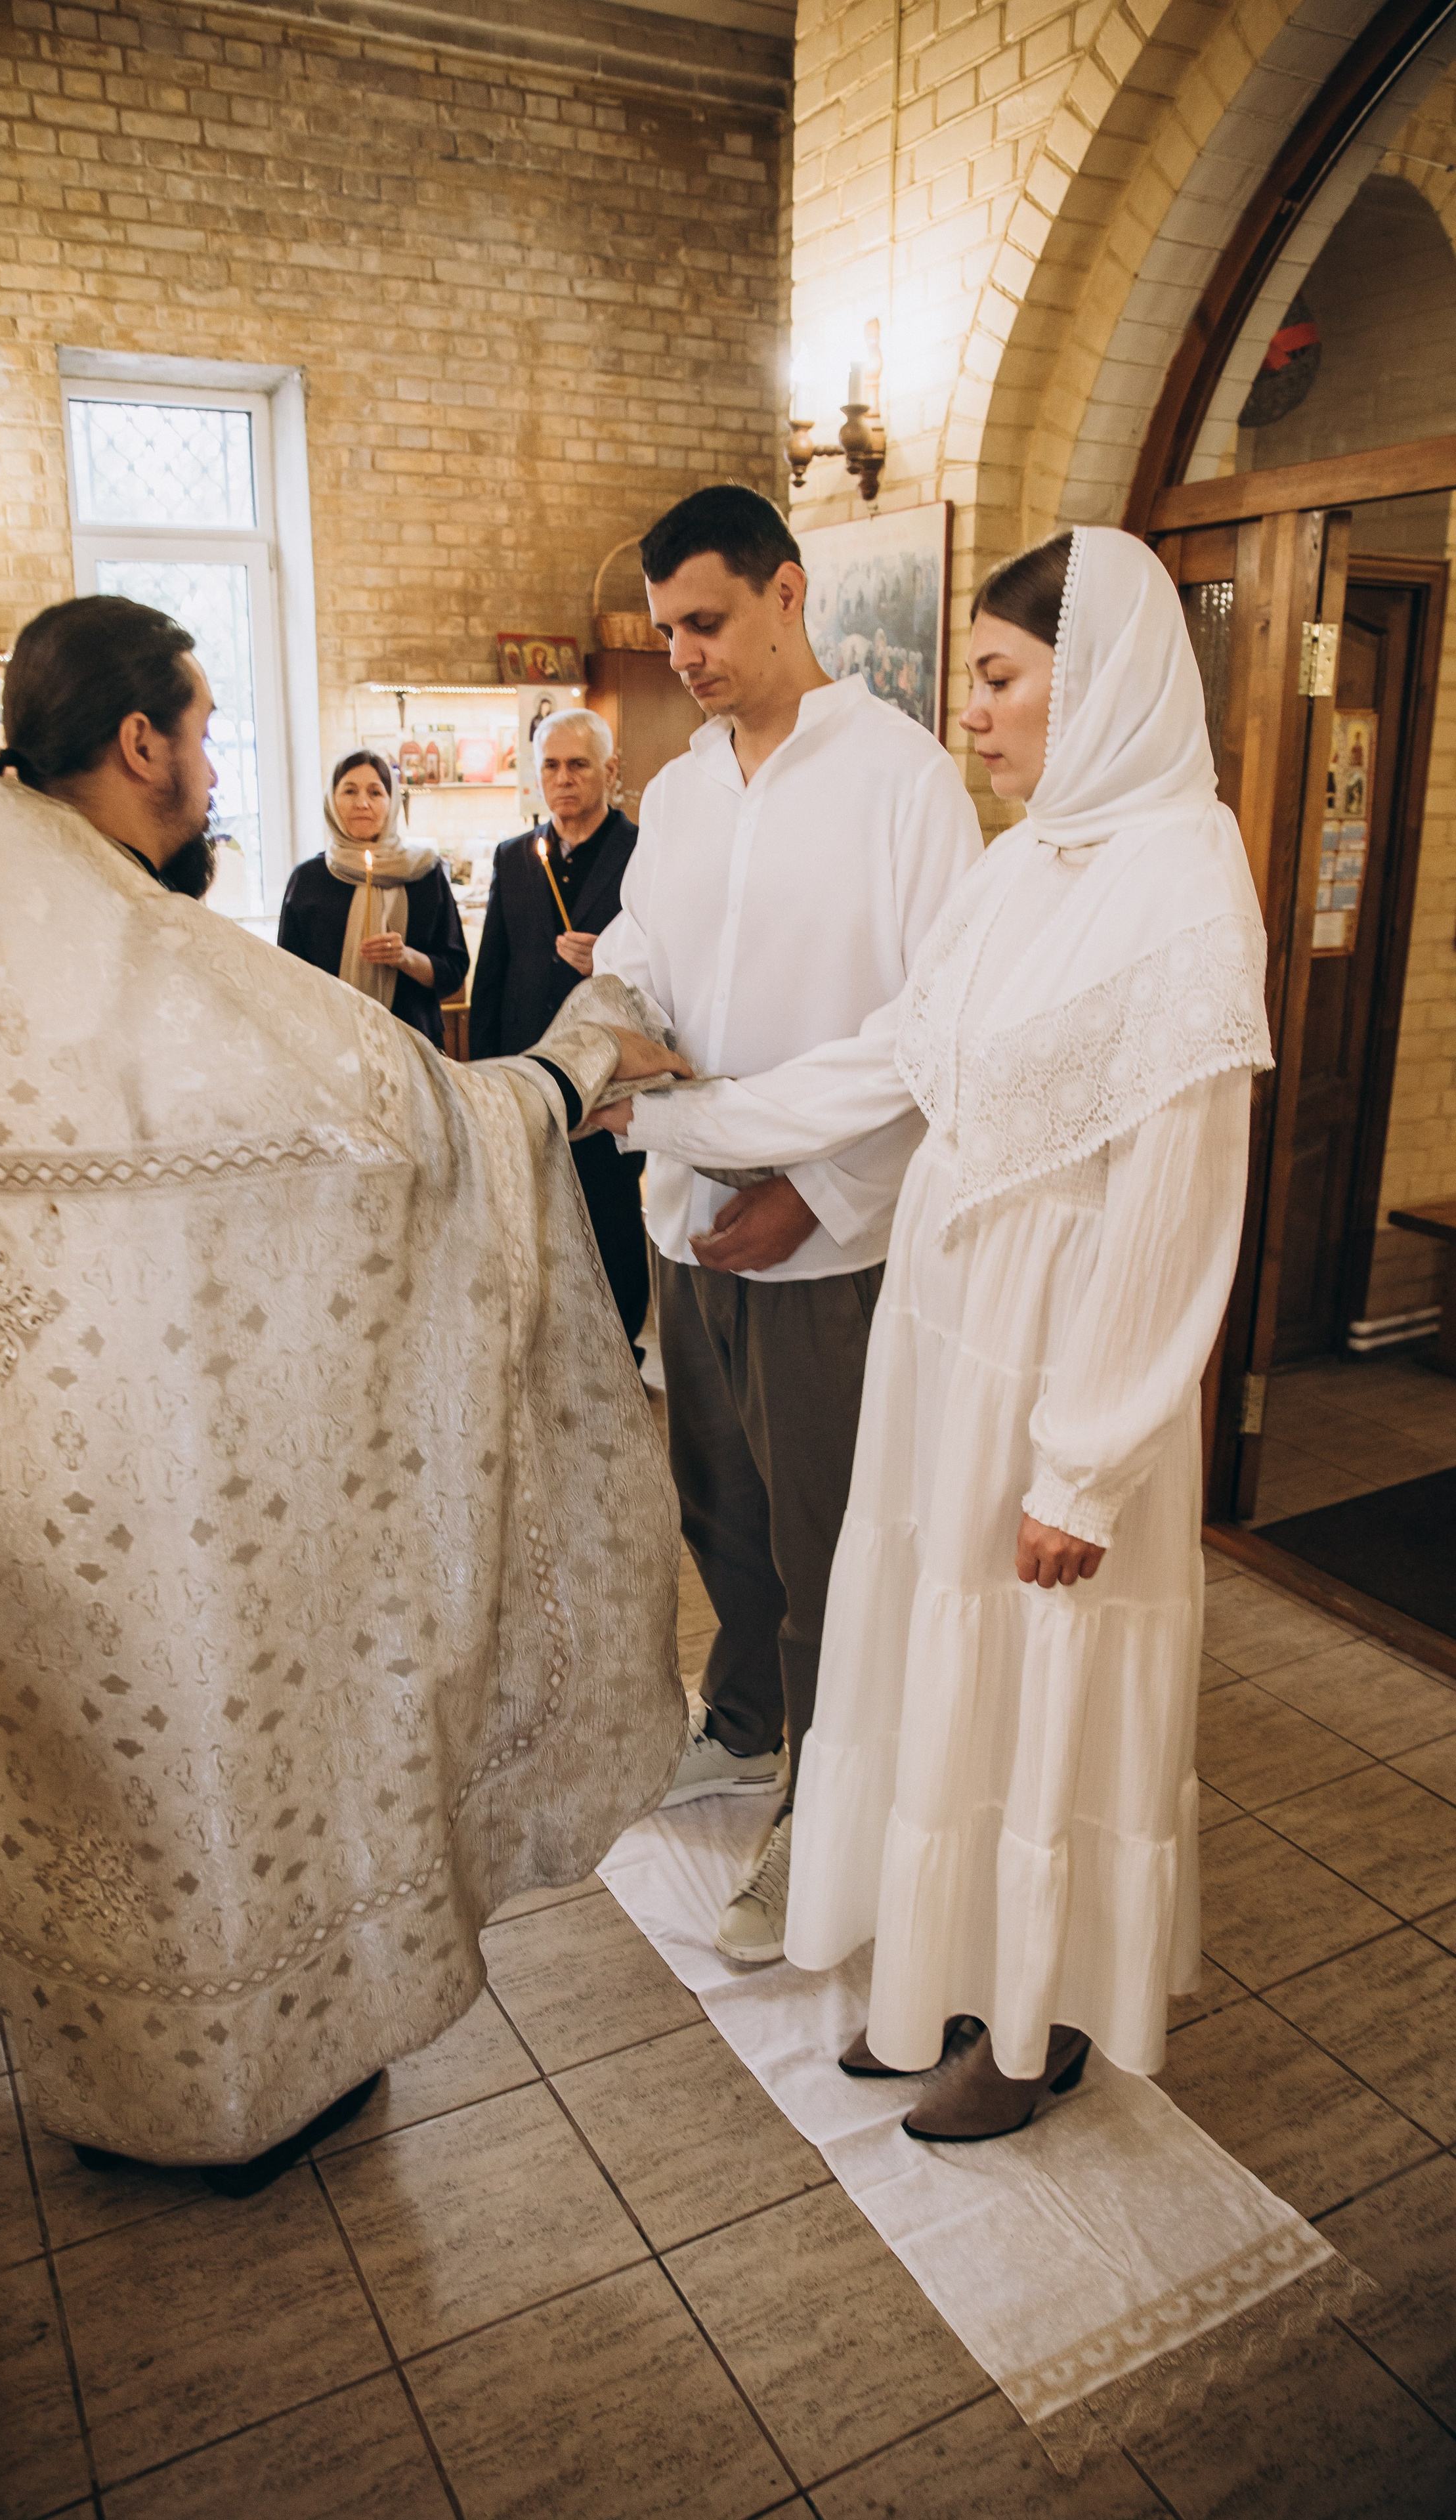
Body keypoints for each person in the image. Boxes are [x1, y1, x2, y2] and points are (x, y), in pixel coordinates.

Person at [0, 594, 691, 2191]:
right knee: (202, 1764)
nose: (216, 766)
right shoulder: (136, 941)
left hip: (16, 1488)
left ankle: (108, 2079)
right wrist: (574, 1068)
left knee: (93, 1783)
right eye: (207, 729)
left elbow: (254, 1141)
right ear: (139, 740)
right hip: (164, 1491)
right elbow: (419, 1133)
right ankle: (247, 2075)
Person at [593, 526, 1272, 2137]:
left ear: (1093, 681)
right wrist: (686, 1120)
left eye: (996, 677)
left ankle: (1031, 2029)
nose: (968, 712)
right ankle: (940, 1979)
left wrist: (1086, 1464)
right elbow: (898, 1054)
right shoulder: (1025, 861)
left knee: (1039, 1698)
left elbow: (1173, 1203)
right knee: (938, 1675)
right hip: (942, 1343)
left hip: (1055, 1365)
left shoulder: (1183, 881)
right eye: (968, 678)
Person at [592, 484, 981, 1965]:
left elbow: (928, 1031)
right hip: (685, 1217)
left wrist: (812, 1189)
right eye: (666, 628)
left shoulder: (903, 782)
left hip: (826, 1241)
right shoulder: (681, 787)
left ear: (787, 594)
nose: (682, 652)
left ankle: (825, 1809)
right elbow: (639, 959)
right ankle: (742, 1721)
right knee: (717, 1504)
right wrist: (590, 1034)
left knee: (828, 1540)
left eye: (704, 621)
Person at [471, 707, 647, 1357]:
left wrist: (612, 955)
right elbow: (491, 970)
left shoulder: (641, 854)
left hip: (608, 1069)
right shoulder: (516, 857)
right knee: (534, 1214)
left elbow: (666, 963)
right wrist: (485, 1077)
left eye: (578, 764)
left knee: (607, 1214)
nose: (564, 778)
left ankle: (620, 1345)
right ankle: (550, 1344)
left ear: (609, 770)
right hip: (526, 1066)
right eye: (551, 765)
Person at [278, 749, 468, 1049]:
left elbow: (454, 971)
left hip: (414, 1044)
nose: (362, 803)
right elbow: (288, 979)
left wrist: (406, 958)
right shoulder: (309, 879)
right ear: (331, 800)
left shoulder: (425, 873)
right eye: (349, 791)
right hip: (334, 1045)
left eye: (376, 792)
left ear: (392, 803)